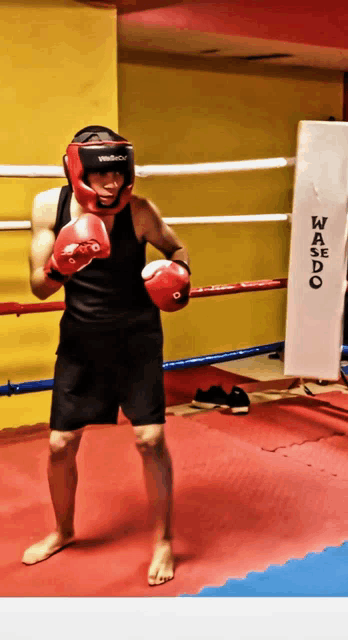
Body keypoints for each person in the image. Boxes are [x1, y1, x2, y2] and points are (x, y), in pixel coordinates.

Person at [22, 125, 191, 586]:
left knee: (150, 440)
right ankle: (63, 530)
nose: (112, 185)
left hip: (137, 338)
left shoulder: (139, 211)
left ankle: (162, 540)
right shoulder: (48, 208)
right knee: (59, 444)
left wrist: (179, 273)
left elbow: (176, 248)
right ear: (79, 172)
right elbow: (38, 288)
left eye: (119, 175)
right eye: (101, 176)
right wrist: (62, 262)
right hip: (81, 338)